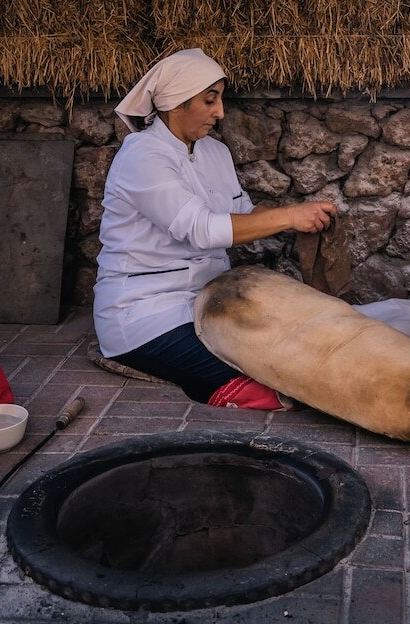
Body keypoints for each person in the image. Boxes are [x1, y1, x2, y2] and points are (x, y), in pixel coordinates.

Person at [93, 48, 336, 408]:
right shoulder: (142, 157)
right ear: (176, 104)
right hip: (145, 311)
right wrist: (288, 216)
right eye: (210, 101)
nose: (219, 112)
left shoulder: (214, 152)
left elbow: (240, 213)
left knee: (301, 353)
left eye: (219, 100)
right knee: (269, 390)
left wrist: (294, 217)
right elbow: (202, 230)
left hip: (210, 300)